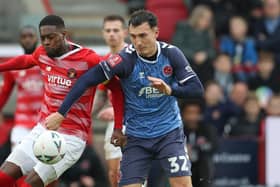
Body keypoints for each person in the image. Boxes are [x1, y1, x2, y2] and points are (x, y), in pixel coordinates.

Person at [45, 10, 204, 187]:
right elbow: (86, 80)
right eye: (134, 36)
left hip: (169, 134)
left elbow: (196, 89)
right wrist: (61, 113)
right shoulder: (125, 60)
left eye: (143, 35)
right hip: (136, 137)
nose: (138, 42)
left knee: (182, 185)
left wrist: (169, 89)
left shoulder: (172, 54)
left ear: (156, 33)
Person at [0, 15, 124, 187]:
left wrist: (118, 127)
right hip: (42, 130)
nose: (47, 42)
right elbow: (26, 61)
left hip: (71, 138)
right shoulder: (42, 53)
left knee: (29, 184)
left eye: (51, 37)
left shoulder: (89, 60)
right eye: (43, 38)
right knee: (4, 177)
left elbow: (116, 89)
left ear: (64, 34)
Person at [0, 25, 44, 149]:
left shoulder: (46, 63)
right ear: (20, 40)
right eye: (24, 36)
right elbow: (4, 93)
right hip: (22, 123)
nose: (27, 39)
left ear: (37, 39)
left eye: (31, 36)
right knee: (17, 163)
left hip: (43, 123)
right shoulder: (14, 67)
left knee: (41, 165)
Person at [96, 15, 127, 187]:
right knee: (114, 173)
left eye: (116, 30)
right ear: (103, 34)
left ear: (125, 32)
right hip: (115, 124)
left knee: (132, 172)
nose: (112, 34)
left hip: (135, 121)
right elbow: (101, 95)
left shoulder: (133, 56)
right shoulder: (105, 62)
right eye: (108, 30)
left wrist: (115, 111)